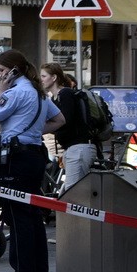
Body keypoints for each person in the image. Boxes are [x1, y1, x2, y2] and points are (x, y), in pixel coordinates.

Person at [0, 49, 64, 272]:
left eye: (1, 71)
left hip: (16, 158)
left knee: (16, 215)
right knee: (31, 215)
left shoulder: (16, 92)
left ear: (13, 70)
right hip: (34, 154)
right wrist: (31, 132)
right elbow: (60, 120)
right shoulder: (39, 93)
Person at [41, 62, 95, 191]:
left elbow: (66, 120)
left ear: (54, 78)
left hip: (79, 148)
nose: (41, 80)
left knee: (73, 194)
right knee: (67, 192)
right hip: (70, 149)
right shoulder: (54, 98)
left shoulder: (65, 94)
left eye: (43, 76)